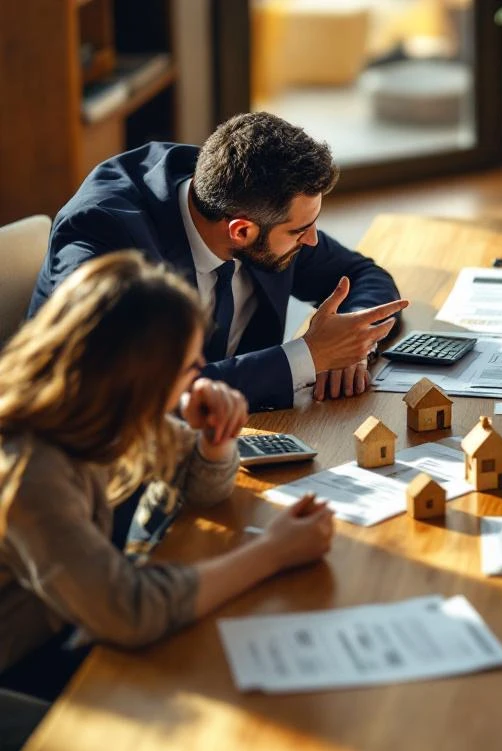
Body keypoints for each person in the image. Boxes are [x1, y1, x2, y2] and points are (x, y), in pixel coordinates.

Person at [0, 252, 335, 709]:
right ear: (135, 383)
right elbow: (129, 612)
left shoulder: (93, 411)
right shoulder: (28, 473)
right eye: (187, 370)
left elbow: (199, 487)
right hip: (23, 673)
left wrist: (213, 441)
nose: (196, 381)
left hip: (67, 618)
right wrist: (272, 553)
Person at [29, 111, 408, 412]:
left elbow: (363, 274)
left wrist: (351, 346)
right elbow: (133, 394)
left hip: (231, 434)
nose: (312, 240)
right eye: (299, 231)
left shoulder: (244, 194)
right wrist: (308, 356)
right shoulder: (103, 238)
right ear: (241, 231)